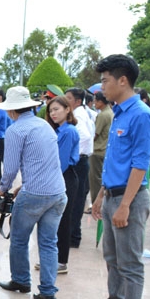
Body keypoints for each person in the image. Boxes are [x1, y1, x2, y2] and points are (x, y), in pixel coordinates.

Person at [80, 54, 150, 299]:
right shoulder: (119, 112)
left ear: (122, 80)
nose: (101, 86)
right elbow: (114, 160)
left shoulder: (141, 114)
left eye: (105, 80)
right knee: (112, 258)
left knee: (130, 263)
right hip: (112, 195)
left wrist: (124, 205)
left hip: (130, 199)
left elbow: (140, 164)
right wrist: (100, 196)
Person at [0, 86, 67, 299]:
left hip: (34, 194)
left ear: (12, 111)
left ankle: (21, 280)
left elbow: (10, 168)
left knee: (18, 238)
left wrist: (2, 188)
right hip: (57, 193)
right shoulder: (45, 125)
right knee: (48, 243)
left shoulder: (16, 130)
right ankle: (48, 291)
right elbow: (44, 161)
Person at [43, 96, 80, 274]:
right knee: (54, 220)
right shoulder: (58, 130)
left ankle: (61, 261)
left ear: (67, 109)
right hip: (57, 176)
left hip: (65, 176)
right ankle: (52, 258)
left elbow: (62, 161)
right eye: (50, 110)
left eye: (57, 109)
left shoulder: (68, 131)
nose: (53, 113)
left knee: (64, 219)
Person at [65, 88, 95, 247]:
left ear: (77, 101)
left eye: (68, 98)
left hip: (79, 161)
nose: (65, 100)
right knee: (77, 199)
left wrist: (73, 153)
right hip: (82, 160)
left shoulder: (78, 115)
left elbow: (85, 136)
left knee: (75, 200)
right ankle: (73, 234)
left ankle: (72, 237)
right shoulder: (84, 112)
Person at [89, 92, 113, 204]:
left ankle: (95, 203)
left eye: (95, 100)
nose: (94, 103)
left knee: (95, 180)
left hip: (98, 150)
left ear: (100, 101)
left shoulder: (103, 115)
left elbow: (95, 134)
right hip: (105, 150)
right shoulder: (110, 112)